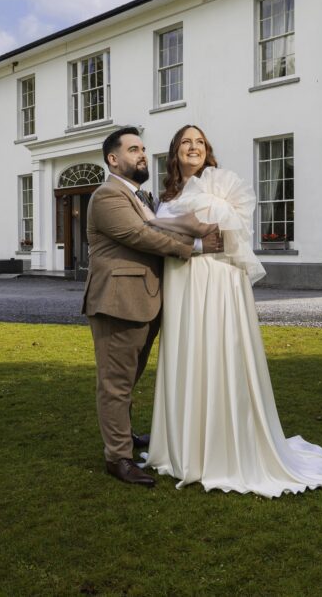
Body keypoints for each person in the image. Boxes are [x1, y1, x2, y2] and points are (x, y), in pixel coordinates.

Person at [144, 124, 322, 498]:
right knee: (186, 354)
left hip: (216, 279)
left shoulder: (221, 187)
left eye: (200, 143)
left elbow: (218, 234)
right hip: (181, 282)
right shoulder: (166, 196)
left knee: (216, 352)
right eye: (186, 143)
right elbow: (166, 238)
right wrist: (165, 226)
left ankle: (220, 449)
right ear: (174, 152)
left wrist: (165, 226)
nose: (194, 148)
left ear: (208, 151)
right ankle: (183, 446)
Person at [82, 126, 223, 488]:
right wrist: (197, 247)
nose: (142, 154)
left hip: (145, 301)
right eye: (133, 150)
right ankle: (118, 458)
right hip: (118, 303)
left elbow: (161, 227)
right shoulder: (108, 195)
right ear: (113, 159)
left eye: (143, 148)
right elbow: (140, 236)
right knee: (115, 384)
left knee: (128, 380)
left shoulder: (142, 197)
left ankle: (125, 438)